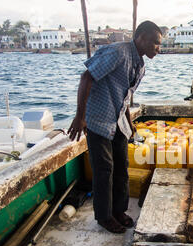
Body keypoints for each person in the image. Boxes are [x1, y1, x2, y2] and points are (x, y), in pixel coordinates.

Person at [68, 21, 162, 233]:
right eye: (156, 43)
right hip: (99, 119)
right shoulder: (118, 52)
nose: (158, 48)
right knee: (104, 170)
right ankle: (104, 217)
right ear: (142, 38)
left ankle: (119, 210)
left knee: (122, 167)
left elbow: (125, 95)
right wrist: (80, 116)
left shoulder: (140, 64)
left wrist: (129, 122)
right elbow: (87, 77)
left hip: (118, 121)